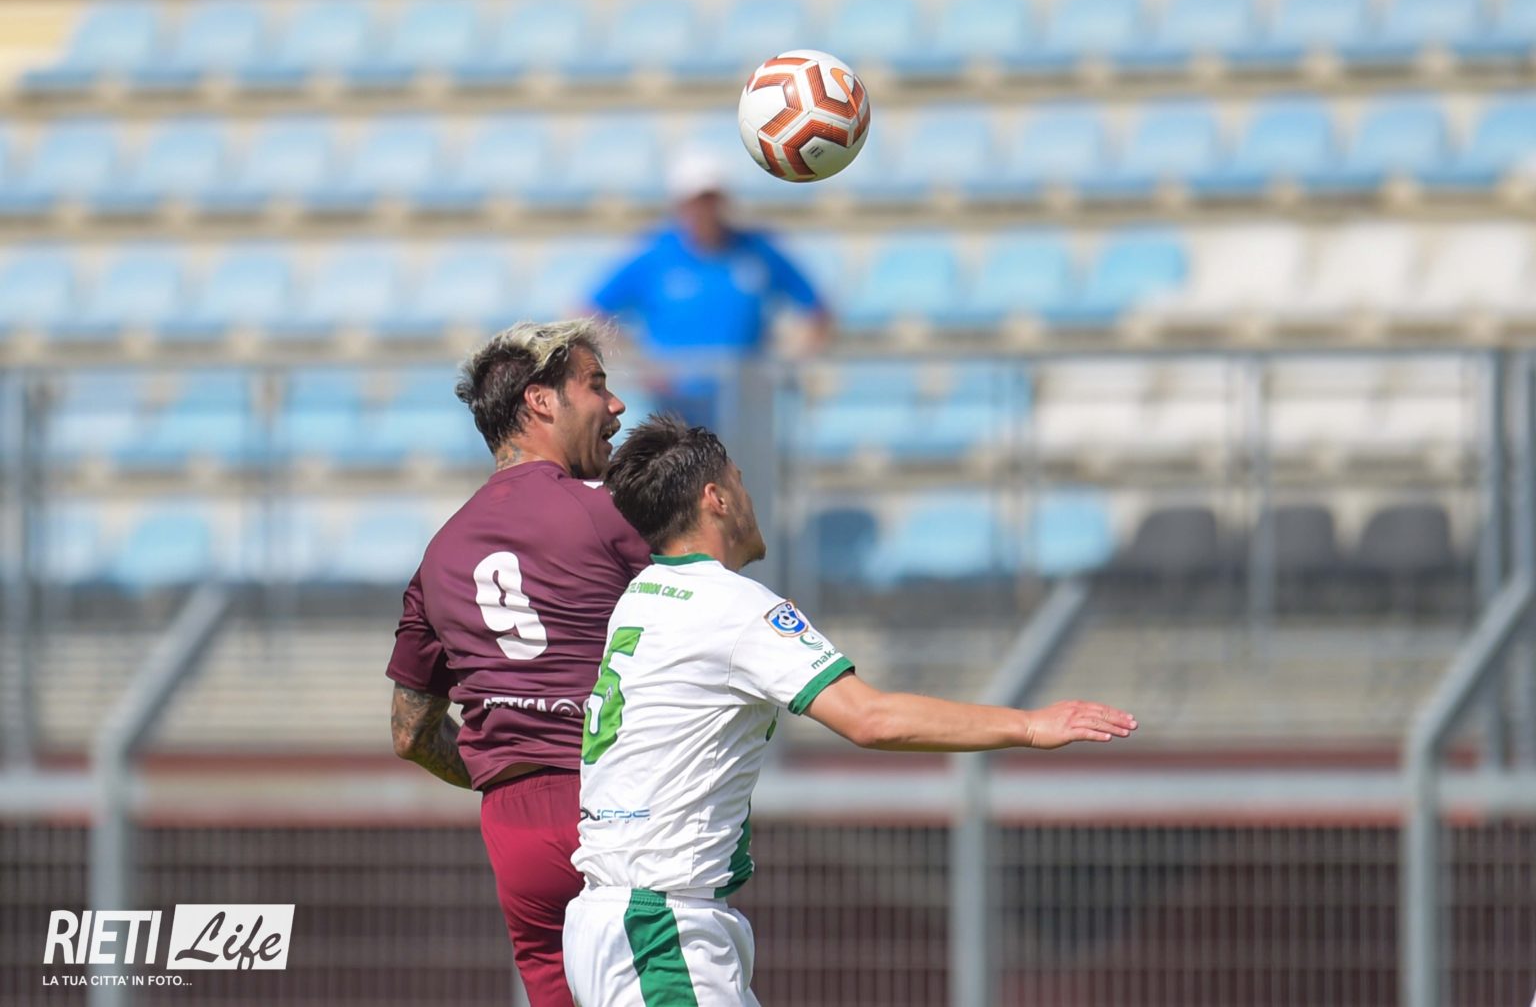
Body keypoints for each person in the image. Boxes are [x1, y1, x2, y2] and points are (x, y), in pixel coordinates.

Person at [563, 415, 1139, 1006]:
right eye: (740, 481)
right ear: (717, 498)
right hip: (662, 929)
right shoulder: (733, 607)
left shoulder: (640, 597)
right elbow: (871, 718)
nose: (749, 498)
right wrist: (1029, 725)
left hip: (615, 918)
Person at [386, 319, 651, 1007]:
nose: (616, 404)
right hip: (617, 801)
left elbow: (410, 733)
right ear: (540, 401)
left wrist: (508, 765)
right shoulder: (612, 512)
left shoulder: (439, 551)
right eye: (596, 386)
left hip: (514, 822)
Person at [588, 150, 832, 427]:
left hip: (744, 404)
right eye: (696, 201)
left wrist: (787, 359)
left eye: (711, 200)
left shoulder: (757, 251)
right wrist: (640, 363)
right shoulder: (656, 255)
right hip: (674, 406)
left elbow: (816, 310)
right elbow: (592, 311)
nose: (704, 211)